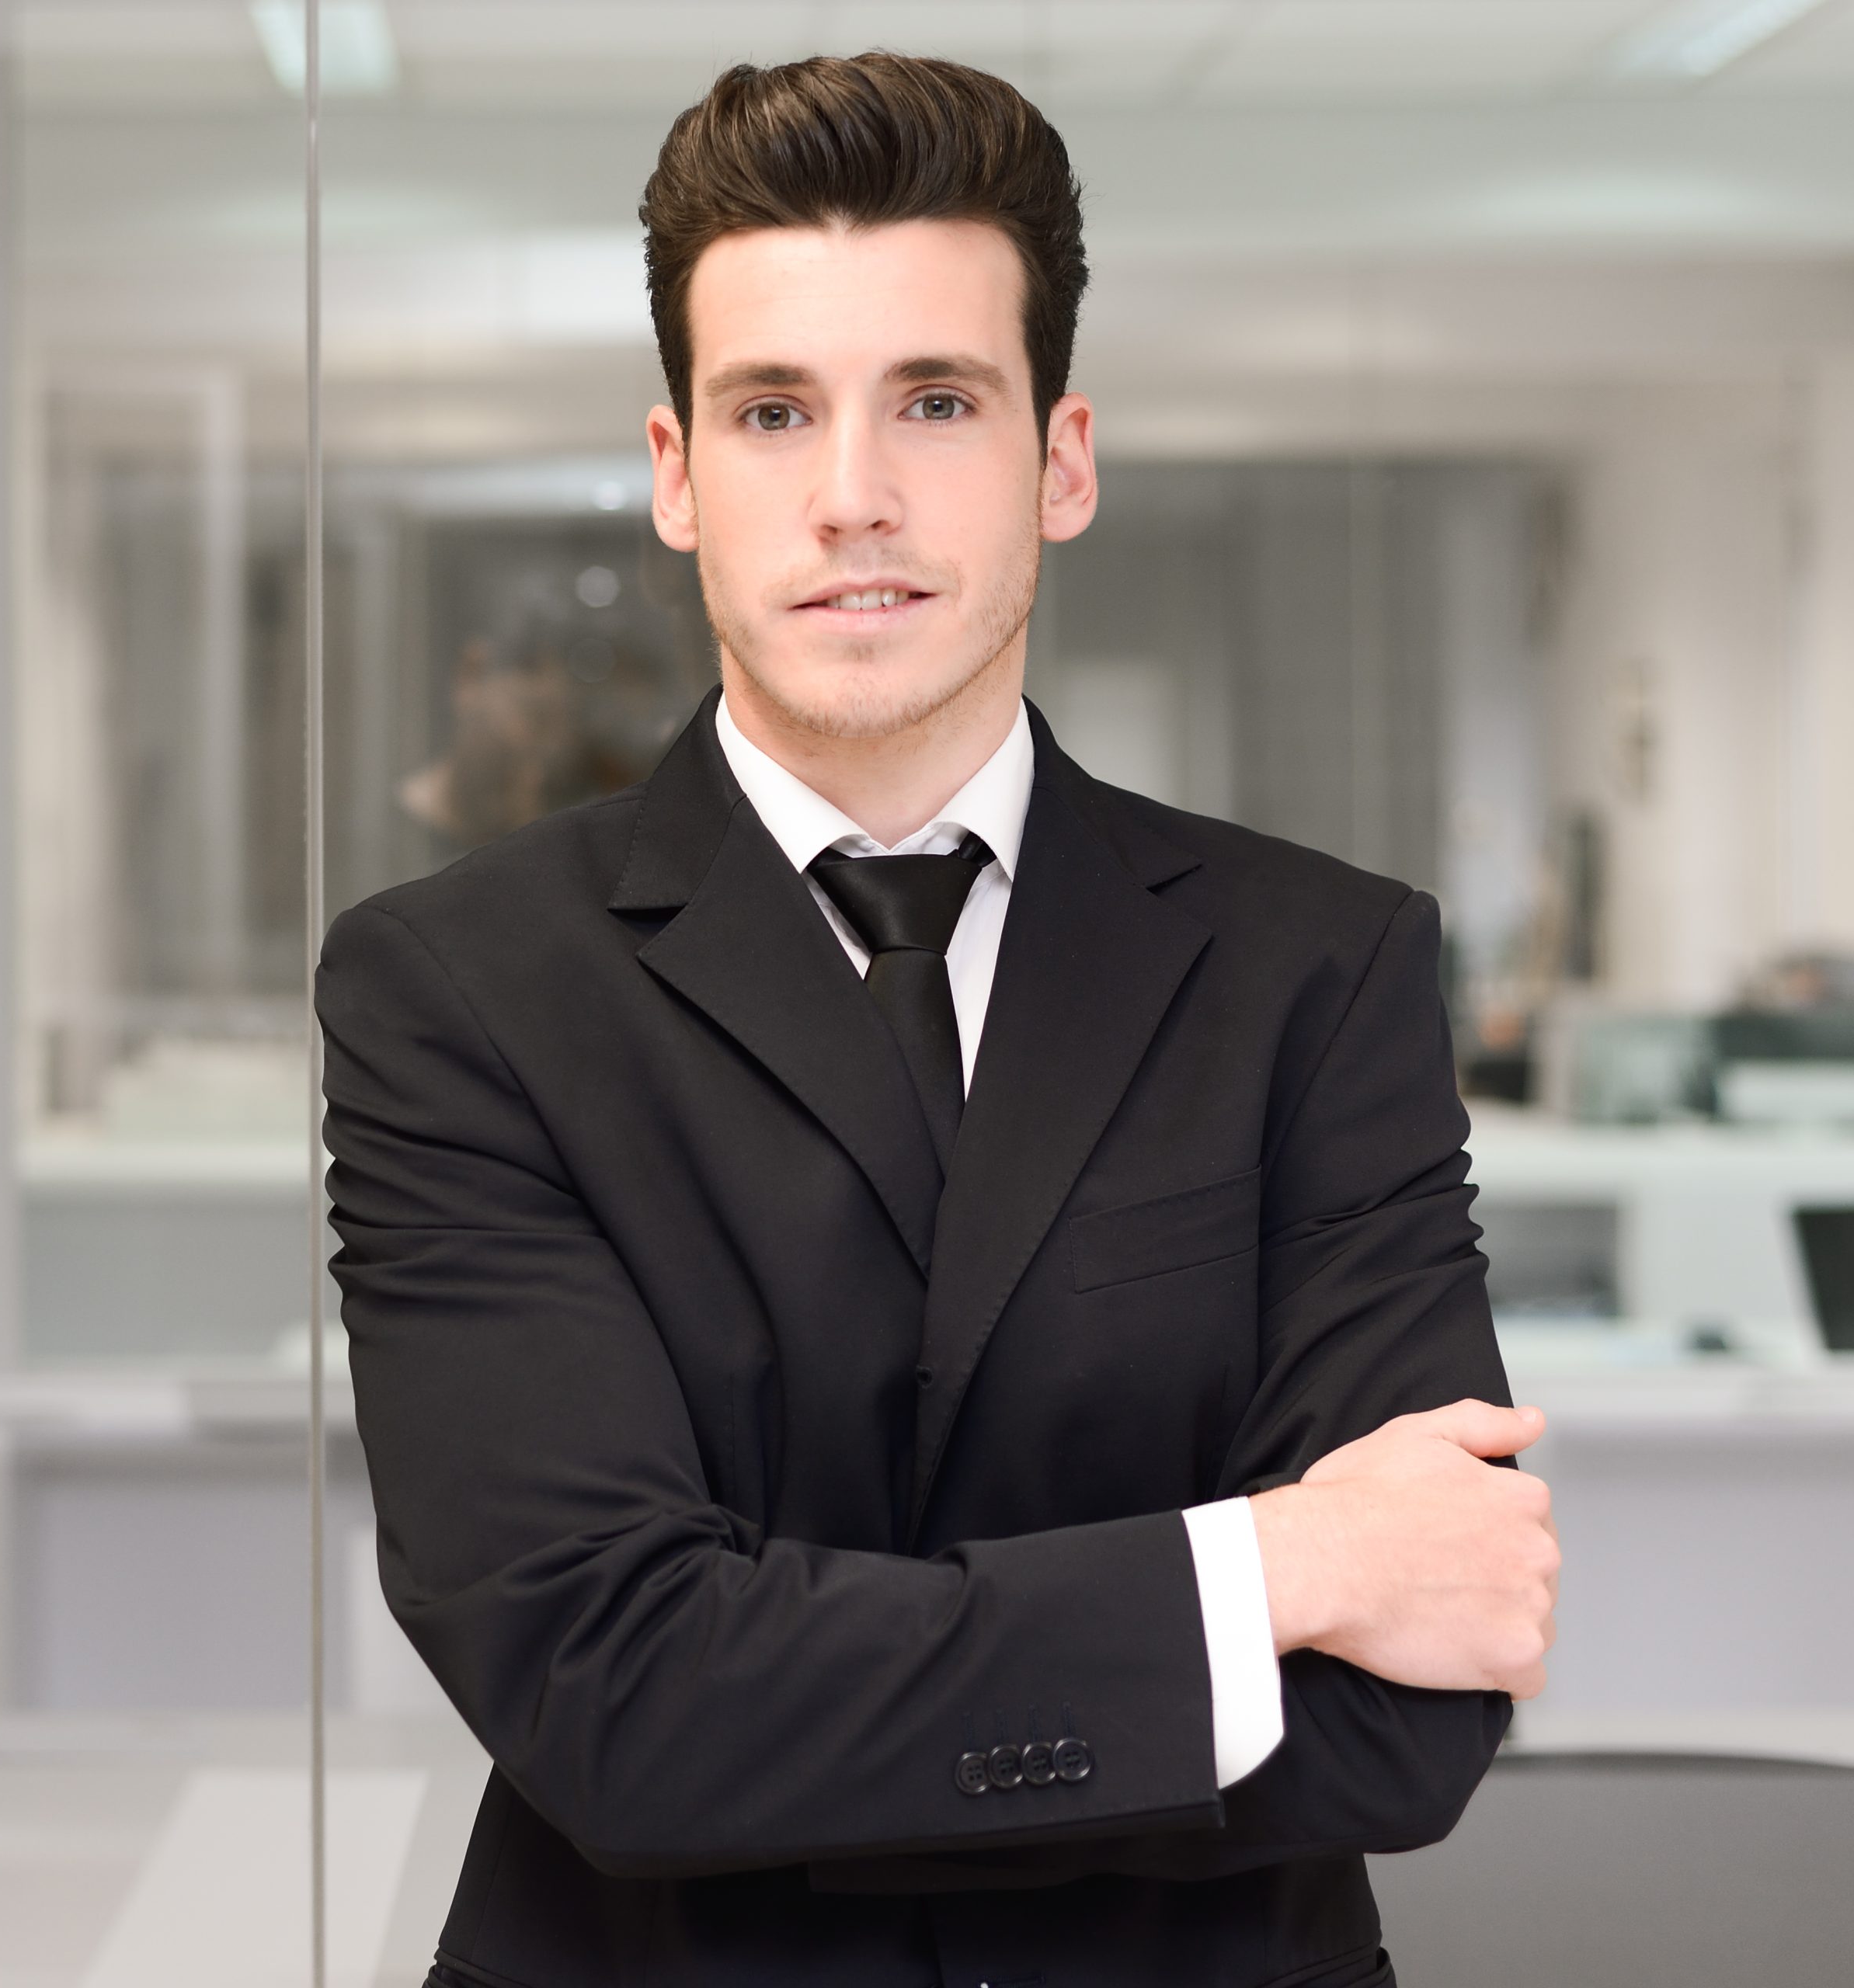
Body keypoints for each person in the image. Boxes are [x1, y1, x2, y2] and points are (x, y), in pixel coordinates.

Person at [317, 53, 1560, 1988]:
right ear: (676, 473)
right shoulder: (460, 988)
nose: (852, 497)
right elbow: (614, 1705)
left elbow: (1404, 1724)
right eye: (772, 410)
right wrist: (1271, 1573)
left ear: (1059, 460)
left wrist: (805, 1710)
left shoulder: (1317, 967)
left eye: (935, 401)